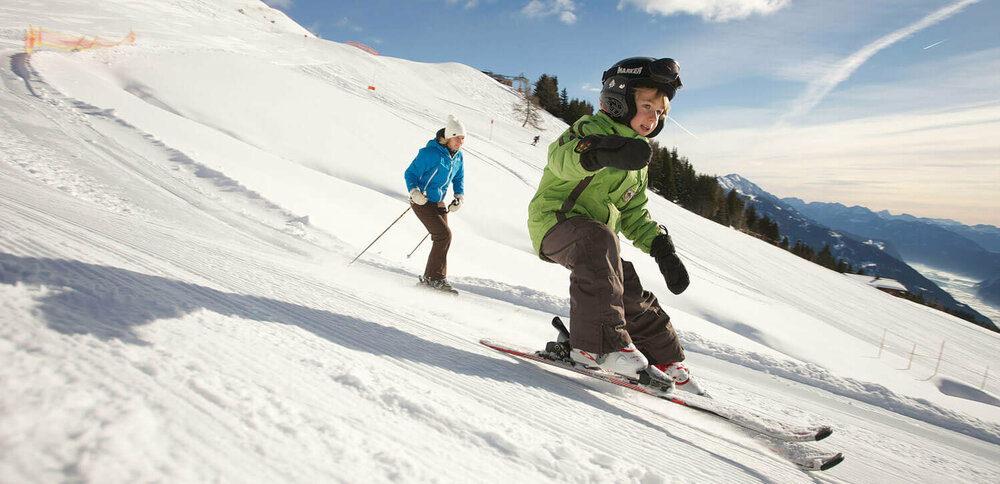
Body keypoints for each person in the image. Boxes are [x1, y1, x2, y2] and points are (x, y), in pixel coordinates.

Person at [526, 57, 702, 394]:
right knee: (598, 239)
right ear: (618, 100)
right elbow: (561, 160)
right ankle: (597, 346)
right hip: (554, 223)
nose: (654, 117)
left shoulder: (637, 161)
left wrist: (663, 249)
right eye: (647, 106)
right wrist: (598, 154)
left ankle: (666, 359)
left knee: (627, 284)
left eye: (661, 112)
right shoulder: (590, 131)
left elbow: (634, 212)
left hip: (596, 242)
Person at [404, 115, 466, 294]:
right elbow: (410, 174)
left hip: (438, 202)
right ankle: (436, 279)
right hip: (422, 200)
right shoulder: (429, 153)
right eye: (457, 138)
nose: (460, 142)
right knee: (443, 235)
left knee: (443, 238)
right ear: (448, 137)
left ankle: (429, 278)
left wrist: (458, 197)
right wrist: (414, 192)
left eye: (463, 139)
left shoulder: (458, 157)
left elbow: (458, 178)